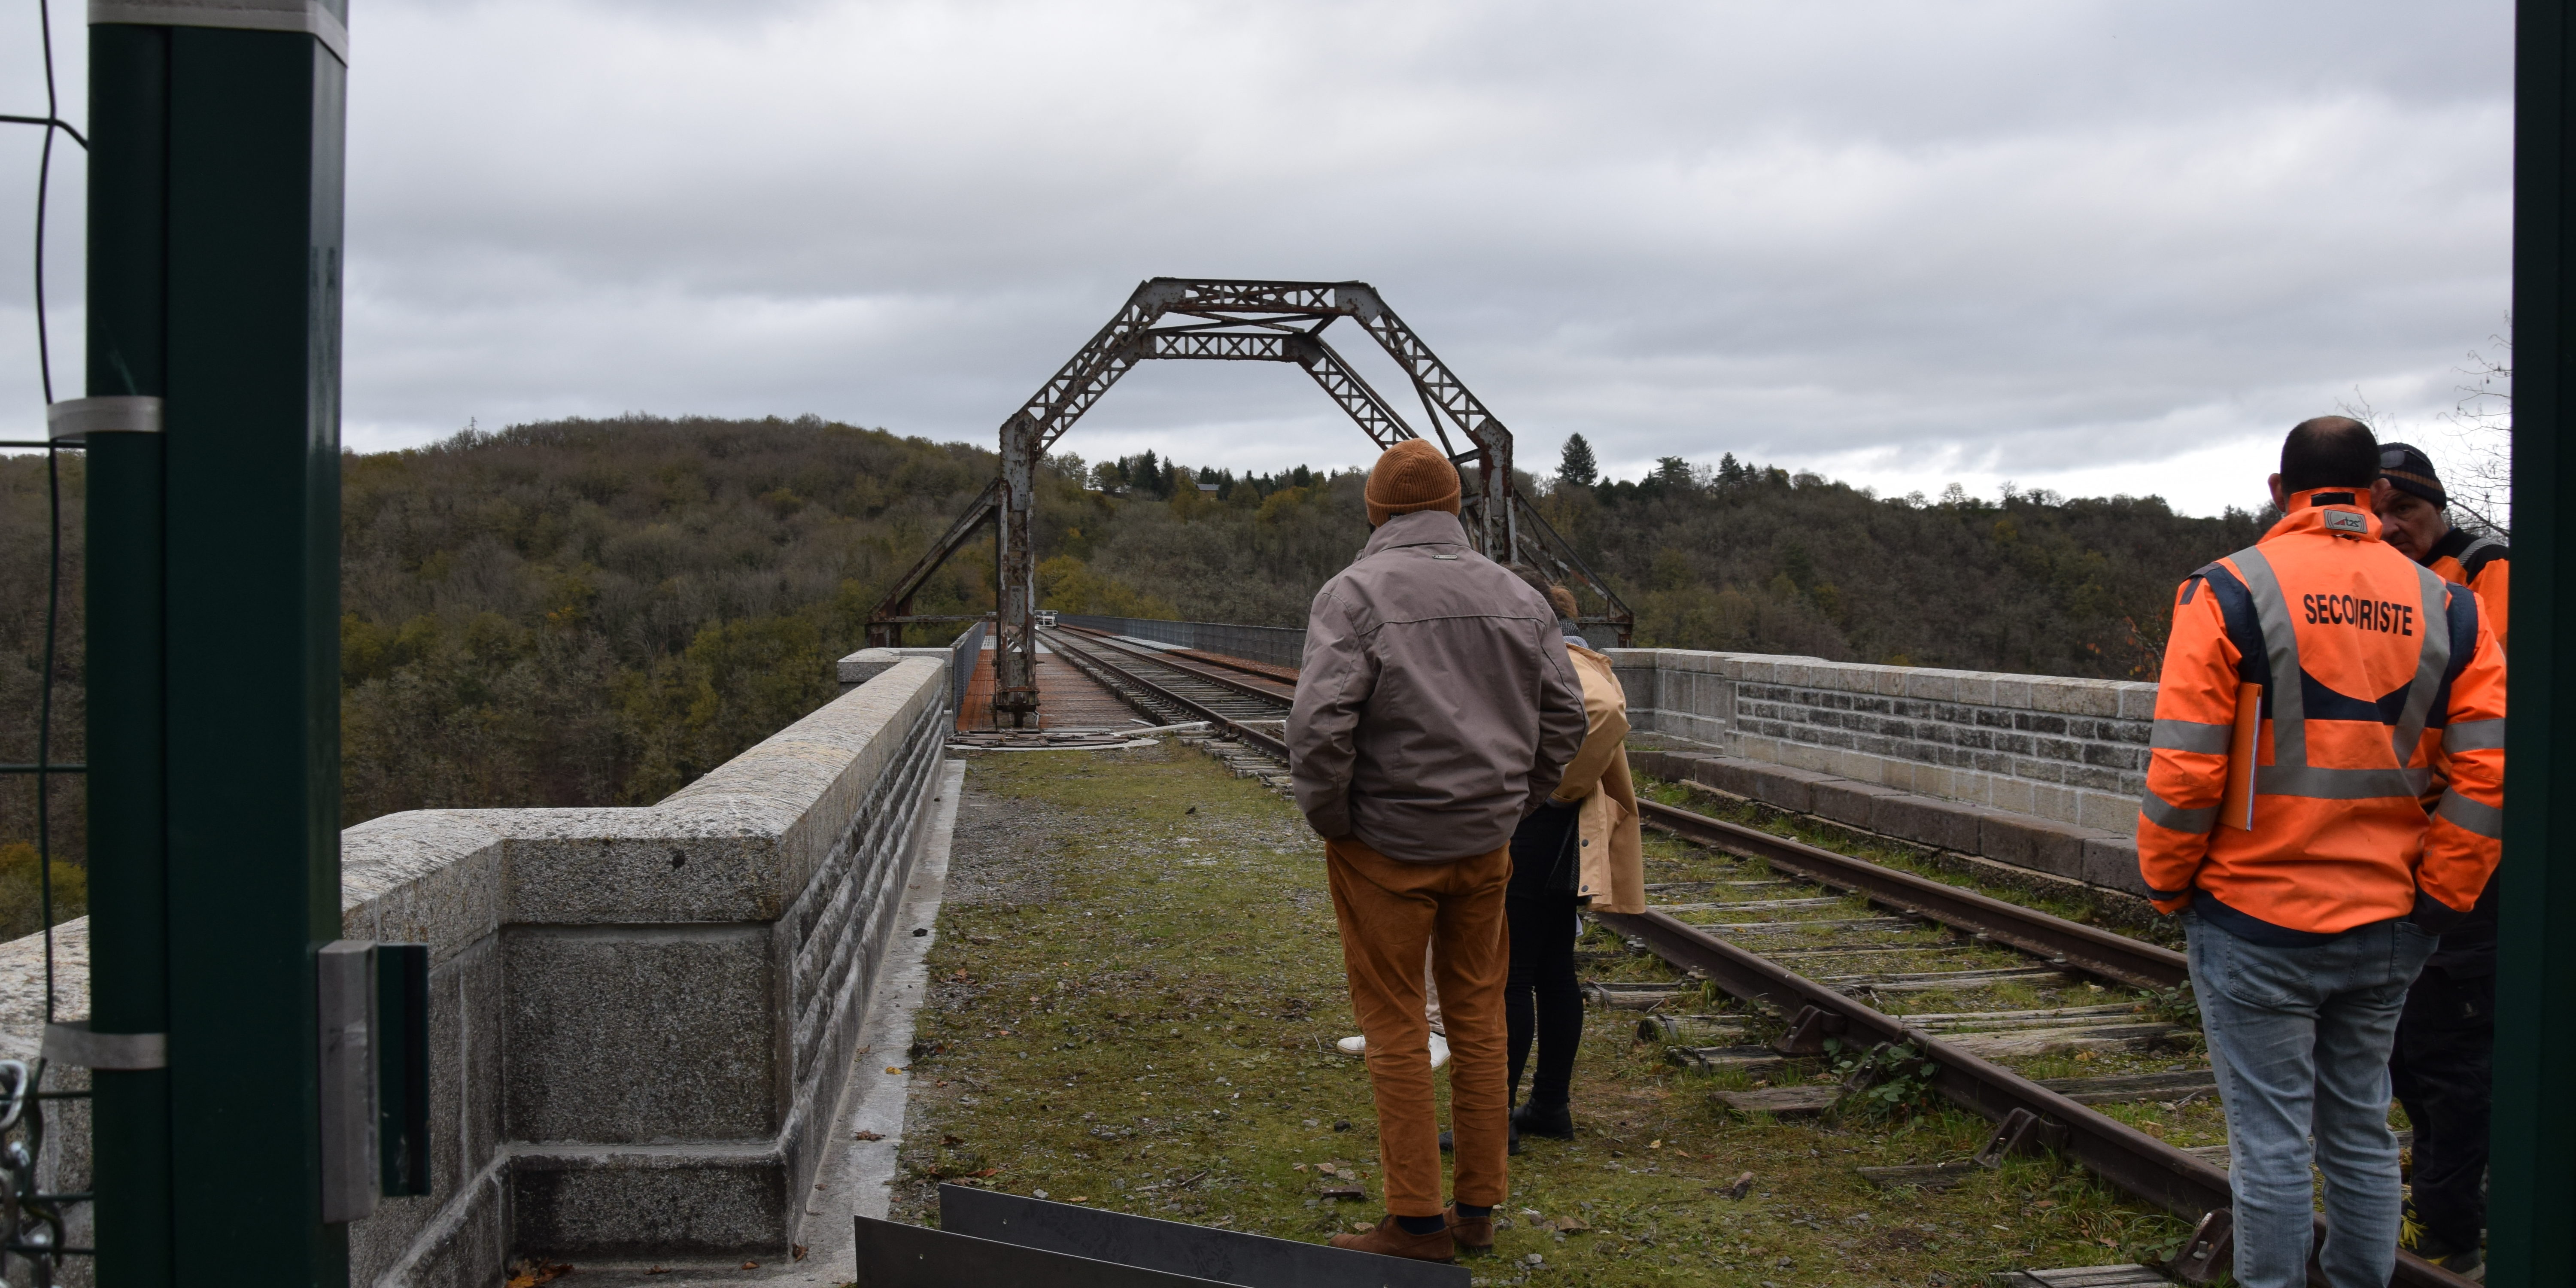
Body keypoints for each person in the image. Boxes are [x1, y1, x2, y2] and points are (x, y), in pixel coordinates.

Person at [2137, 416, 2506, 1288]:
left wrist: (2168, 885)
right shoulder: (2448, 604)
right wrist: (2440, 902)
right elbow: (2486, 773)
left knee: (2270, 1147)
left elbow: (2186, 769)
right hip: (2387, 919)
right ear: (2374, 494)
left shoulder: (2226, 590)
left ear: (2279, 490)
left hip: (2252, 917)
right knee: (2362, 1135)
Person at [1288, 439, 1588, 1263]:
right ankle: (1479, 1211)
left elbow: (1319, 730)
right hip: (1486, 846)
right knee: (1480, 1018)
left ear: (1377, 513)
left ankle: (1416, 1224)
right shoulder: (1519, 598)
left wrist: (1335, 820)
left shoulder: (1354, 594)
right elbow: (1567, 720)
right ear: (1455, 508)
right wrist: (1513, 803)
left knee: (1394, 1026)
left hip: (1384, 846)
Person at [2374, 443, 2511, 1278]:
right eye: (2379, 513)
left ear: (2438, 510)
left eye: (2408, 515)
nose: (2392, 530)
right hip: (2409, 849)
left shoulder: (2484, 573)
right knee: (2406, 1042)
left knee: (2448, 1053)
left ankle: (2450, 1228)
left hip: (2472, 854)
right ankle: (2443, 1184)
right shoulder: (2394, 582)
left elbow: (2490, 728)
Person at [1501, 574, 1644, 1152]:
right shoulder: (1572, 652)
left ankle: (1494, 1122)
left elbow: (1601, 710)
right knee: (1553, 969)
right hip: (1561, 831)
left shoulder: (1562, 659)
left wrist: (1547, 787)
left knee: (1510, 975)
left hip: (1536, 830)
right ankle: (1549, 1107)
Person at [2375, 442, 2509, 647]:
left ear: (2437, 504)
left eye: (2403, 508)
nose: (2386, 529)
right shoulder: (2369, 575)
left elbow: (2499, 667)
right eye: (2374, 514)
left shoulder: (2488, 564)